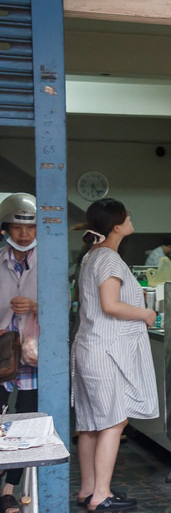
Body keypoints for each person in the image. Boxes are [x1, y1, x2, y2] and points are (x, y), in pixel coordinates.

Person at [73, 198, 158, 512]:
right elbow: (110, 305)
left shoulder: (92, 256)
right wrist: (145, 314)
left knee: (90, 425)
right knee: (113, 421)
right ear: (117, 226)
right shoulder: (108, 259)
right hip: (103, 349)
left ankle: (88, 490)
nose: (131, 217)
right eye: (127, 215)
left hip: (90, 346)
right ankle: (101, 495)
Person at [0, 193, 38, 513]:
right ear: (5, 229)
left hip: (35, 355)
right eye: (17, 228)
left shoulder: (47, 264)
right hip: (0, 353)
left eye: (30, 228)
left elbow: (66, 307)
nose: (24, 234)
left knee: (26, 423)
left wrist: (36, 306)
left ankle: (10, 489)